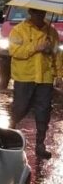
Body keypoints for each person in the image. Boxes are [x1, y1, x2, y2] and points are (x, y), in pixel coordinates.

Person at [8, 8, 62, 159]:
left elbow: (57, 54)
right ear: (31, 13)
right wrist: (36, 48)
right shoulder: (18, 30)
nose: (40, 16)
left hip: (45, 78)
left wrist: (59, 75)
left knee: (43, 111)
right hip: (24, 76)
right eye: (37, 13)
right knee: (20, 108)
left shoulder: (51, 32)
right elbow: (14, 51)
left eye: (43, 14)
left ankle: (40, 145)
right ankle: (10, 130)